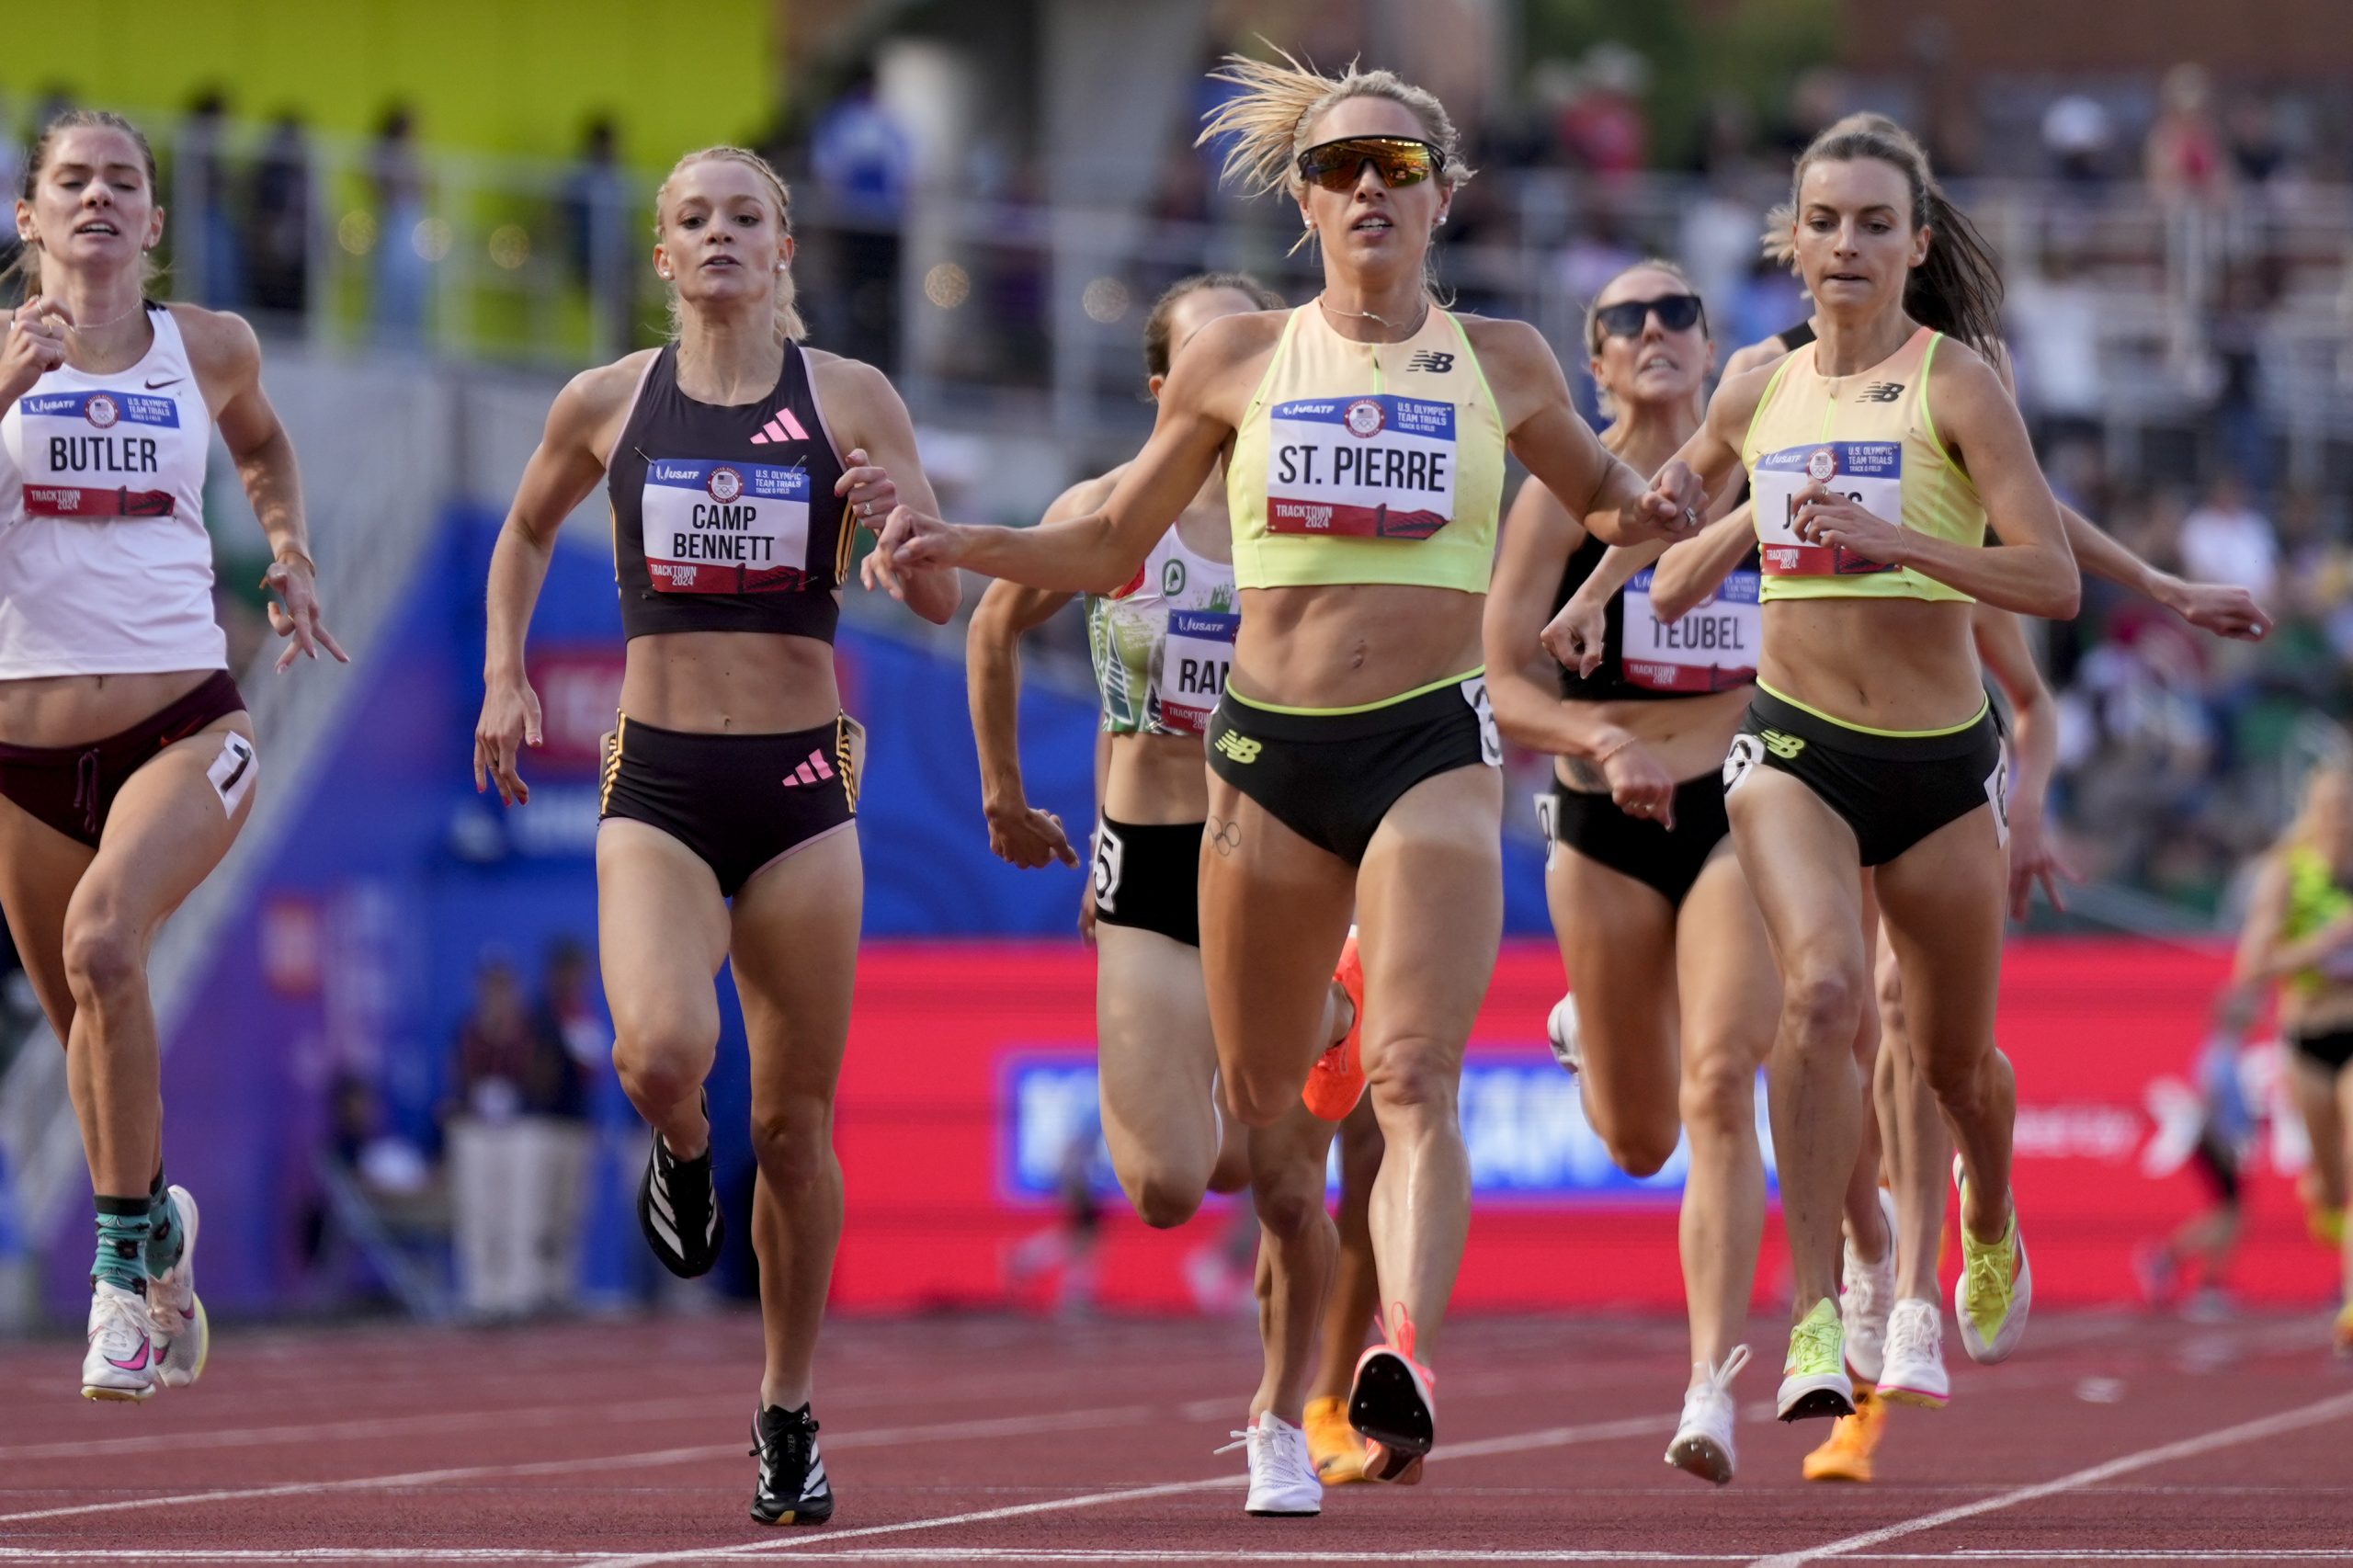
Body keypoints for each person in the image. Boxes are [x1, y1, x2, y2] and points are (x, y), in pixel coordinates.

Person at [874, 50, 1701, 1493]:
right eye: (1340, 167)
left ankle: (1402, 1351)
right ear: (1301, 201)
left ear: (1442, 196)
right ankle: (1317, 1082)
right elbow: (1101, 544)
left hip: (1431, 743)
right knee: (1254, 1118)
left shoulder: (1503, 359)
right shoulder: (1238, 359)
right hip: (1263, 757)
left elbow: (1613, 504)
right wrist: (968, 543)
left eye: (1398, 166)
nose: (1370, 187)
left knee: (1417, 1077)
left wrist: (1675, 507)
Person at [1561, 114, 2081, 1428]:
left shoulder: (1955, 386)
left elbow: (2051, 577)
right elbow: (1659, 513)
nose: (1845, 244)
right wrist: (1624, 570)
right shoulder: (1752, 384)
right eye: (1824, 222)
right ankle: (1812, 1318)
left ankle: (1992, 1208)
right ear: (1790, 243)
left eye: (1871, 223)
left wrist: (1903, 538)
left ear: (1913, 245)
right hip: (1795, 742)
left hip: (1939, 764)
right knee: (1827, 995)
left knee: (1956, 1063)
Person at [473, 143, 958, 1525]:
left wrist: (903, 539)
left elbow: (929, 598)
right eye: (697, 218)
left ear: (785, 246)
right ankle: (680, 1145)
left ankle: (786, 1406)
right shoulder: (608, 401)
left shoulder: (850, 397)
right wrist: (507, 672)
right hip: (662, 779)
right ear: (663, 256)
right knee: (656, 1047)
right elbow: (519, 538)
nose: (723, 234)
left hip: (805, 785)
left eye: (748, 214)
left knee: (799, 1131)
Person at [967, 272, 1367, 1517]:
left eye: (1260, 348)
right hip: (1144, 865)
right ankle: (1284, 1054)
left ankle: (1278, 1419)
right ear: (1165, 388)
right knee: (1169, 1185)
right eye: (1214, 353)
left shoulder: (1312, 517)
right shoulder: (1104, 515)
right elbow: (991, 628)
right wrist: (1005, 794)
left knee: (1293, 1185)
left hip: (1287, 866)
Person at [3, 108, 342, 1400]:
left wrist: (292, 552)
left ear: (153, 221)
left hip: (186, 721)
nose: (97, 197)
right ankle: (160, 1247)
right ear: (29, 217)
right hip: (21, 755)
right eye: (71, 181)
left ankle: (115, 1292)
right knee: (87, 1029)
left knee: (105, 944)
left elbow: (261, 443)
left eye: (122, 182)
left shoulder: (206, 346)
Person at [1488, 260, 1791, 1483]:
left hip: (1740, 803)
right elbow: (1506, 679)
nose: (1656, 330)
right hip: (1603, 820)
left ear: (1713, 347)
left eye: (1677, 312)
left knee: (1724, 1080)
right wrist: (1597, 737)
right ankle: (1589, 1029)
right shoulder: (1562, 498)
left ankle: (1711, 1381)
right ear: (1594, 359)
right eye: (1628, 319)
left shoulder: (1771, 470)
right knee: (1634, 1135)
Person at [2227, 759, 2353, 1355]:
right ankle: (2324, 1192)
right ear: (2313, 809)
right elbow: (2254, 964)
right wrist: (2324, 945)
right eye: (2331, 807)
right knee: (2334, 1188)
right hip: (2307, 1041)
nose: (2341, 820)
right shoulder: (2288, 874)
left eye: (2349, 808)